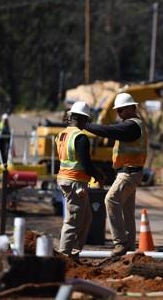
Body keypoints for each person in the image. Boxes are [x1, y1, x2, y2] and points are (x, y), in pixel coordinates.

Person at [83, 93, 148, 257]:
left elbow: (108, 131)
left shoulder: (131, 126)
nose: (119, 113)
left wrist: (86, 125)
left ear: (132, 108)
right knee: (127, 210)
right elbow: (111, 129)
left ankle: (120, 243)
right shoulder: (130, 125)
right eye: (117, 110)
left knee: (110, 200)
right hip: (129, 172)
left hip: (129, 173)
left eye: (122, 109)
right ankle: (131, 248)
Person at [56, 101, 104, 259]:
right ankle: (65, 256)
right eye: (86, 120)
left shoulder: (62, 134)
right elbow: (86, 163)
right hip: (74, 181)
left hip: (66, 178)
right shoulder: (80, 137)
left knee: (86, 218)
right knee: (73, 220)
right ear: (82, 119)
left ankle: (74, 254)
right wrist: (98, 175)